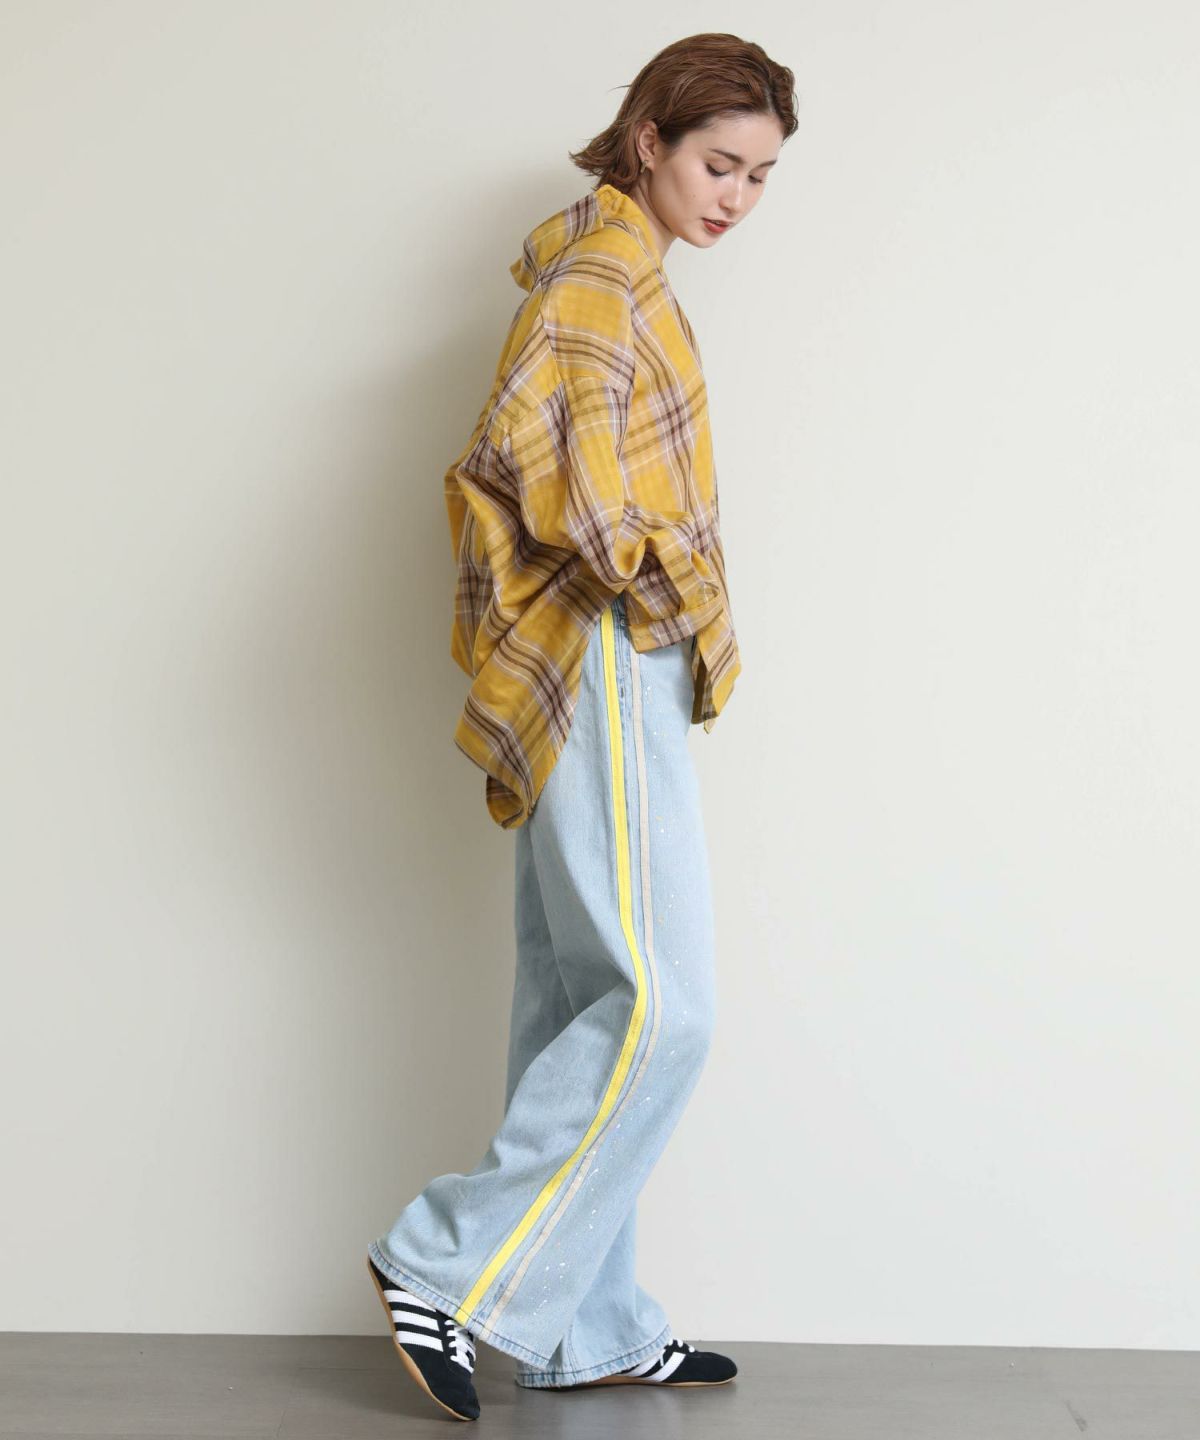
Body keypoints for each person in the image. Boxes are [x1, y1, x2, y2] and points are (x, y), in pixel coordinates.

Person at [366, 31, 797, 1423]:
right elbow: (553, 475)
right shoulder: (603, 278)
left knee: (576, 994)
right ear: (649, 139)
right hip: (605, 648)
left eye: (760, 176)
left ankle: (585, 1327)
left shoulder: (614, 267)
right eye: (719, 163)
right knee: (663, 1004)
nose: (736, 196)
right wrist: (663, 582)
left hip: (598, 659)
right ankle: (440, 1260)